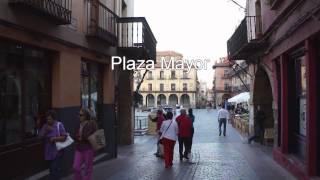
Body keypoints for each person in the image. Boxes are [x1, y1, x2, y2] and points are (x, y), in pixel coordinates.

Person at [39, 110, 67, 180]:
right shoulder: (45, 126)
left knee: (54, 168)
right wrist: (45, 130)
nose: (48, 120)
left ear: (54, 119)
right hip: (48, 151)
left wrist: (54, 138)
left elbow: (64, 137)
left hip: (57, 152)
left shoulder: (59, 125)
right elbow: (40, 136)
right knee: (51, 169)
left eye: (50, 119)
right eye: (47, 119)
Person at [73, 108, 98, 180]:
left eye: (81, 115)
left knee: (88, 168)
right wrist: (77, 137)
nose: (79, 116)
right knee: (76, 167)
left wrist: (83, 137)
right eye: (79, 115)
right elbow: (74, 134)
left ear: (86, 116)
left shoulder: (92, 123)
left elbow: (95, 135)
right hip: (79, 148)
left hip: (88, 148)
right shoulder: (78, 124)